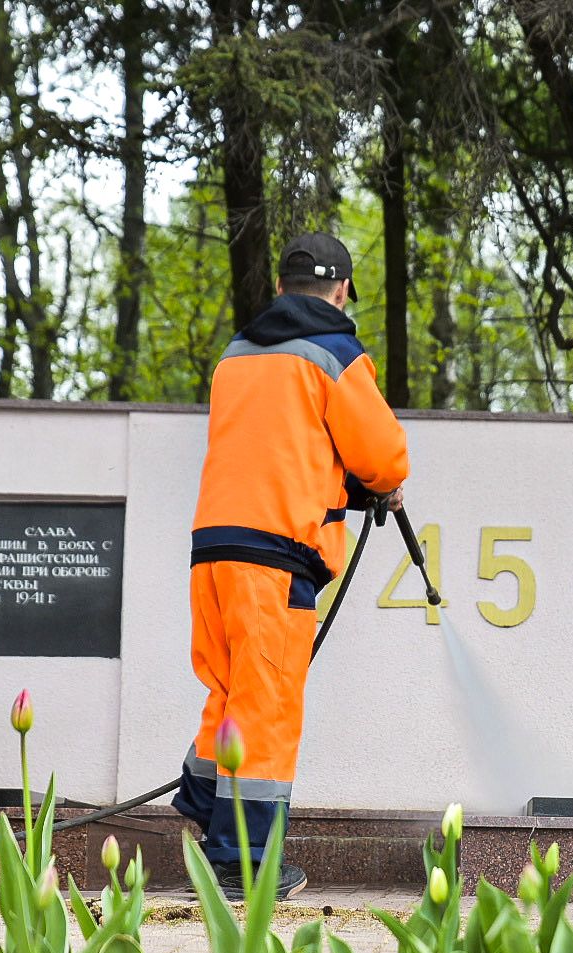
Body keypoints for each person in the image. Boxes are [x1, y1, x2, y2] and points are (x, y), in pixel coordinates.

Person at [173, 232, 409, 901]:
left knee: (229, 692)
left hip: (212, 555)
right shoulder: (335, 353)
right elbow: (384, 456)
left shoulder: (235, 356)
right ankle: (241, 861)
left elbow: (281, 449)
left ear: (279, 288)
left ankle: (199, 797)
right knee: (268, 705)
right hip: (274, 561)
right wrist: (372, 486)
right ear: (341, 292)